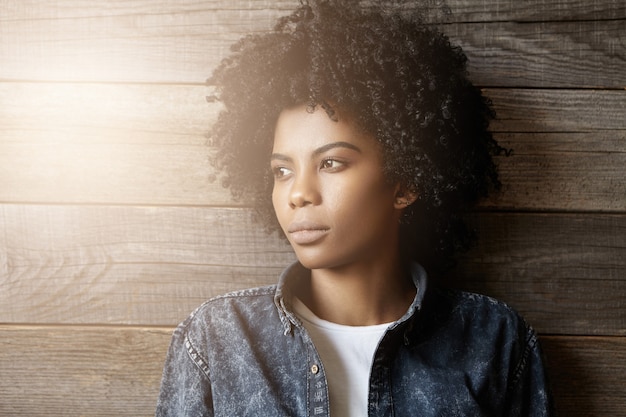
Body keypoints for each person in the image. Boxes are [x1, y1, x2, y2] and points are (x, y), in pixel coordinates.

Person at [156, 0, 553, 415]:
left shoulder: (494, 341)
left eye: (331, 163)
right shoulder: (217, 341)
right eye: (282, 170)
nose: (298, 193)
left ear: (406, 181)